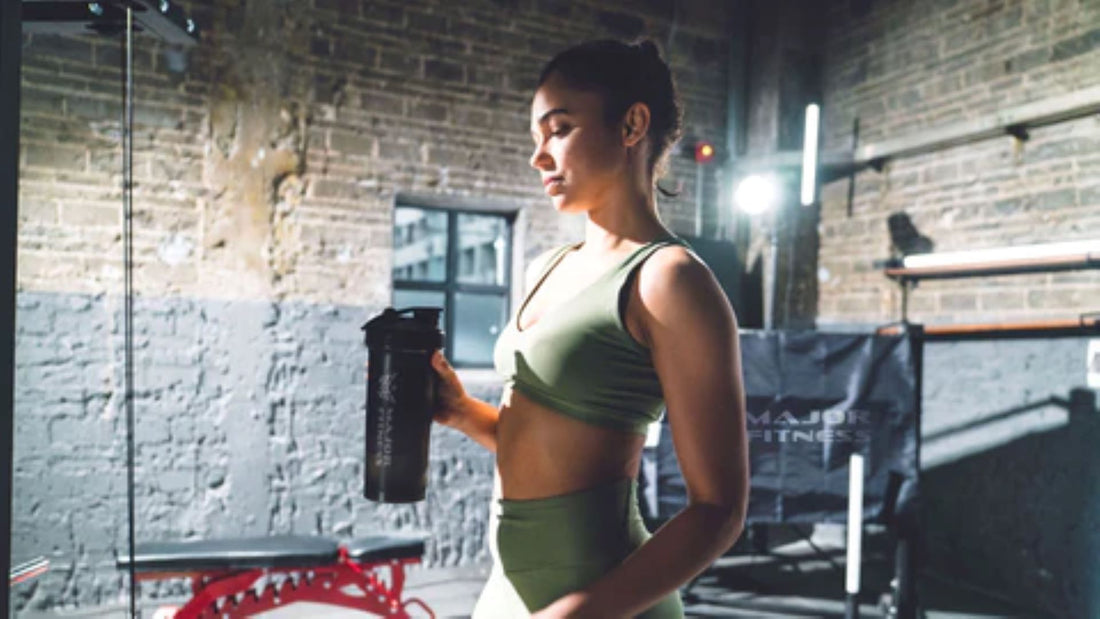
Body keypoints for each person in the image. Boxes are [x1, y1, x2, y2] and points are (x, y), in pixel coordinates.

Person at [429, 39, 749, 618]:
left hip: (604, 597)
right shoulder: (546, 267)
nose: (539, 156)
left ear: (631, 124)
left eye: (558, 129)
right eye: (535, 138)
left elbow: (719, 509)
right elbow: (549, 441)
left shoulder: (669, 279)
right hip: (506, 588)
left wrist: (579, 614)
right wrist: (461, 411)